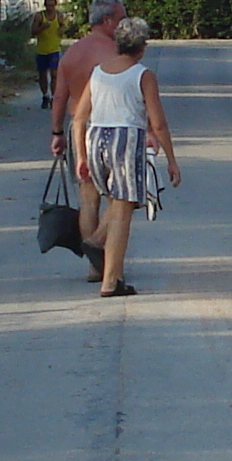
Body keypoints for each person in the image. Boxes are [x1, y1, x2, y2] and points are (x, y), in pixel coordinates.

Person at [69, 15, 179, 297]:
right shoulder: (143, 75)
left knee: (112, 203)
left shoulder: (98, 72)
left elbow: (80, 118)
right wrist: (171, 159)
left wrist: (81, 155)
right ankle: (110, 278)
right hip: (126, 140)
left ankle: (105, 264)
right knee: (122, 209)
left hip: (96, 139)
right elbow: (158, 122)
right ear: (142, 46)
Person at [47, 0, 123, 160]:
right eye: (121, 20)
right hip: (112, 127)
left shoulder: (71, 54)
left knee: (86, 182)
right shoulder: (116, 54)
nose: (124, 26)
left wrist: (57, 132)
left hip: (80, 128)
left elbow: (59, 97)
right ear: (107, 20)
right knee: (119, 183)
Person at [30, 0, 66, 108]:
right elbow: (33, 32)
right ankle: (45, 95)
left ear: (55, 5)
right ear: (45, 5)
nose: (50, 8)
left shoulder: (59, 15)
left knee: (54, 74)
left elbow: (63, 26)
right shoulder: (39, 16)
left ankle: (54, 98)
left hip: (54, 49)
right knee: (42, 74)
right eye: (48, 5)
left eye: (52, 5)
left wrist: (62, 29)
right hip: (41, 50)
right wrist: (42, 28)